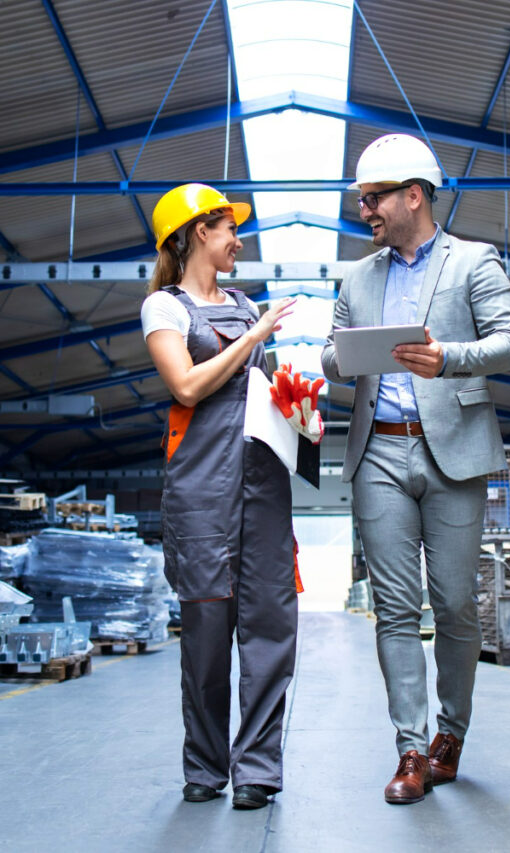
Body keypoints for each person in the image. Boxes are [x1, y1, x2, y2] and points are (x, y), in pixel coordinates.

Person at [322, 134, 510, 805]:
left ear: (415, 195)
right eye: (362, 198)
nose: (365, 209)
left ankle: (450, 735)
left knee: (456, 603)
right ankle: (409, 748)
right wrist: (342, 357)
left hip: (453, 451)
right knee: (395, 609)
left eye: (374, 197)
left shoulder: (474, 262)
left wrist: (451, 359)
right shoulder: (356, 278)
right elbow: (330, 359)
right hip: (377, 448)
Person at [141, 183, 299, 810]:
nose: (239, 240)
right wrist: (255, 332)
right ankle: (205, 768)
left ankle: (257, 770)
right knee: (207, 633)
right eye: (229, 228)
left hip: (263, 483)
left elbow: (266, 389)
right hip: (202, 489)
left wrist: (299, 398)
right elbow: (185, 386)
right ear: (199, 233)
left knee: (268, 627)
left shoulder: (241, 303)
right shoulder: (165, 308)